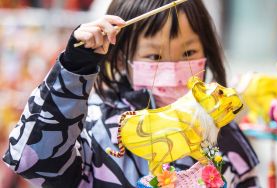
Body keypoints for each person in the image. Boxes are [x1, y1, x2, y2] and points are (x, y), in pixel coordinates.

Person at [3, 0, 260, 187]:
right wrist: (75, 68)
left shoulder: (222, 133)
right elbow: (31, 159)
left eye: (189, 53)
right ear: (120, 60)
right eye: (154, 56)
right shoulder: (97, 129)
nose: (172, 66)